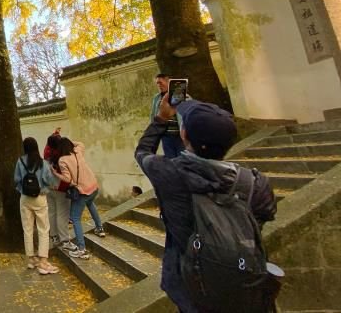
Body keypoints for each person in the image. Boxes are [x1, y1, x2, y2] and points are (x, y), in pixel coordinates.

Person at [135, 96, 277, 312]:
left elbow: (142, 152)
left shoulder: (169, 174)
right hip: (245, 279)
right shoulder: (256, 183)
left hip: (190, 285)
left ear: (184, 135)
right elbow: (264, 216)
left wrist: (161, 119)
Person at [52, 137, 105, 259]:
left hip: (82, 191)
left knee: (75, 218)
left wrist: (55, 173)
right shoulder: (78, 151)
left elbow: (67, 179)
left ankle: (82, 249)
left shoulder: (62, 160)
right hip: (93, 186)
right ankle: (99, 228)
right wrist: (70, 141)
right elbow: (81, 143)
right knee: (91, 204)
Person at [13, 137, 59, 275]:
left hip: (25, 198)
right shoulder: (43, 163)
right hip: (40, 198)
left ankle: (31, 259)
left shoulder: (20, 161)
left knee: (27, 229)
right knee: (43, 229)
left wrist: (22, 189)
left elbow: (16, 179)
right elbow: (50, 181)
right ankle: (43, 261)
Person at [45, 133, 71, 248]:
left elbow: (48, 145)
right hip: (60, 189)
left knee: (52, 212)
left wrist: (55, 134)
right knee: (62, 214)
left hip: (49, 187)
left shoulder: (47, 153)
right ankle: (64, 239)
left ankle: (54, 236)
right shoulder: (62, 156)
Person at [151, 73, 186, 158]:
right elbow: (153, 114)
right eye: (157, 83)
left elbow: (186, 112)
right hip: (166, 135)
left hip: (180, 135)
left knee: (182, 159)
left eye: (161, 82)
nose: (159, 85)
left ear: (168, 81)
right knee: (171, 160)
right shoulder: (157, 98)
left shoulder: (178, 94)